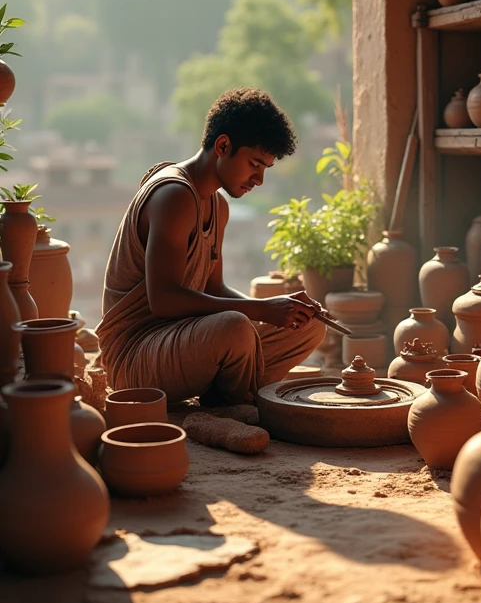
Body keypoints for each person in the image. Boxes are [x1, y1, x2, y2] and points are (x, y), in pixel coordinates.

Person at [97, 87, 325, 406]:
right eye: (254, 164)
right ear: (223, 145)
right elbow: (163, 301)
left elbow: (214, 288)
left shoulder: (218, 206)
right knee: (234, 328)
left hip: (184, 340)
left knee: (307, 327)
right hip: (136, 357)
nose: (258, 180)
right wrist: (259, 309)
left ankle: (228, 390)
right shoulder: (174, 195)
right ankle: (229, 405)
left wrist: (279, 309)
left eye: (264, 170)